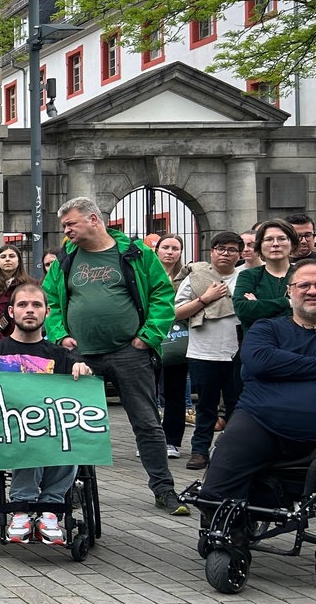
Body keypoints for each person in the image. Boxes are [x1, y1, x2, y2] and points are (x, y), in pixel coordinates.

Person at [43, 196, 184, 515]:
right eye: (64, 226)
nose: (66, 232)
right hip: (80, 356)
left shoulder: (135, 253)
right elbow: (50, 298)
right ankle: (73, 487)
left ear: (94, 220)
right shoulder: (67, 256)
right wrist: (60, 335)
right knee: (74, 424)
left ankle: (164, 489)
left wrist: (148, 337)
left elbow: (163, 294)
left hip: (129, 354)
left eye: (71, 224)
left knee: (147, 423)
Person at [0, 283, 93, 545]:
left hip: (50, 433)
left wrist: (82, 370)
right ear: (11, 312)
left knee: (66, 436)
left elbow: (78, 400)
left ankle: (50, 510)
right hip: (11, 433)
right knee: (28, 437)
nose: (30, 310)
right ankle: (21, 508)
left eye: (36, 305)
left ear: (47, 312)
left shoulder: (62, 356)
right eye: (23, 305)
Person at [195, 259, 316, 517]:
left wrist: (284, 367)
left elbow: (270, 363)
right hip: (260, 422)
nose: (312, 291)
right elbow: (260, 361)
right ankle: (232, 537)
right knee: (214, 493)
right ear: (289, 291)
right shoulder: (267, 327)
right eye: (304, 284)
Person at [173, 232, 244, 471]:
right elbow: (176, 312)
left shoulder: (245, 277)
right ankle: (200, 451)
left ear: (240, 254)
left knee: (237, 406)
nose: (225, 253)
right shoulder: (196, 277)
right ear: (211, 251)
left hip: (238, 353)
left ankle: (232, 453)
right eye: (220, 248)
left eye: (232, 250)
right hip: (203, 352)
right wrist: (205, 299)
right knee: (205, 406)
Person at [155, 234, 192, 455]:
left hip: (177, 339)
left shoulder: (187, 277)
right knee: (148, 392)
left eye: (175, 248)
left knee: (175, 391)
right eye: (165, 247)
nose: (170, 252)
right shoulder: (146, 273)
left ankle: (172, 440)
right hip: (150, 338)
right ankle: (150, 439)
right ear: (157, 250)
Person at [235, 218, 296, 331]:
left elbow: (310, 310)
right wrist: (288, 302)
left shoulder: (304, 273)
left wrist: (259, 305)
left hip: (299, 343)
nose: (275, 244)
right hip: (259, 343)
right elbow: (243, 310)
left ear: (292, 244)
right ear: (260, 246)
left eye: (282, 239)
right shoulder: (248, 276)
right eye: (268, 239)